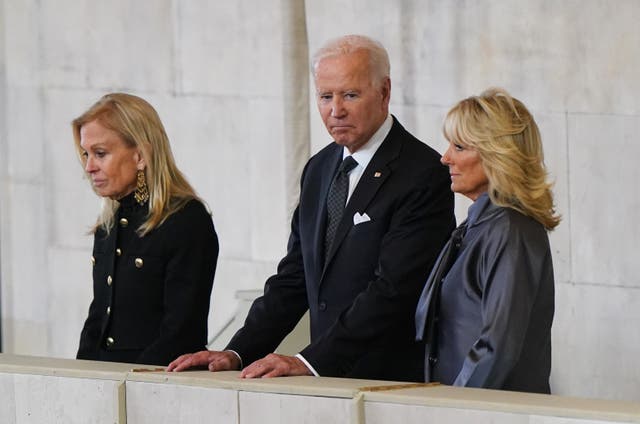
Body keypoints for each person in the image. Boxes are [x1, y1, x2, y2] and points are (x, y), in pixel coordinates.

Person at [168, 35, 455, 381]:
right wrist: (237, 352)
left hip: (391, 384)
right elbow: (295, 277)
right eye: (325, 96)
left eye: (350, 94)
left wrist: (309, 362)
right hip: (326, 383)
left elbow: (393, 291)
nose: (336, 110)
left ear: (384, 92)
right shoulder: (318, 169)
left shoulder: (422, 173)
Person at [415, 88, 561, 393]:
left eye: (459, 146)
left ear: (497, 154)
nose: (445, 158)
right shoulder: (482, 225)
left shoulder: (510, 230)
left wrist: (452, 410)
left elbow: (497, 344)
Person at [73, 93, 219, 366]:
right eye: (86, 154)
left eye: (100, 153)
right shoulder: (109, 225)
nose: (89, 167)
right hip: (107, 383)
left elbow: (181, 331)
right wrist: (81, 377)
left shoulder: (186, 220)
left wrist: (131, 384)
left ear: (140, 156)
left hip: (157, 383)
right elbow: (98, 321)